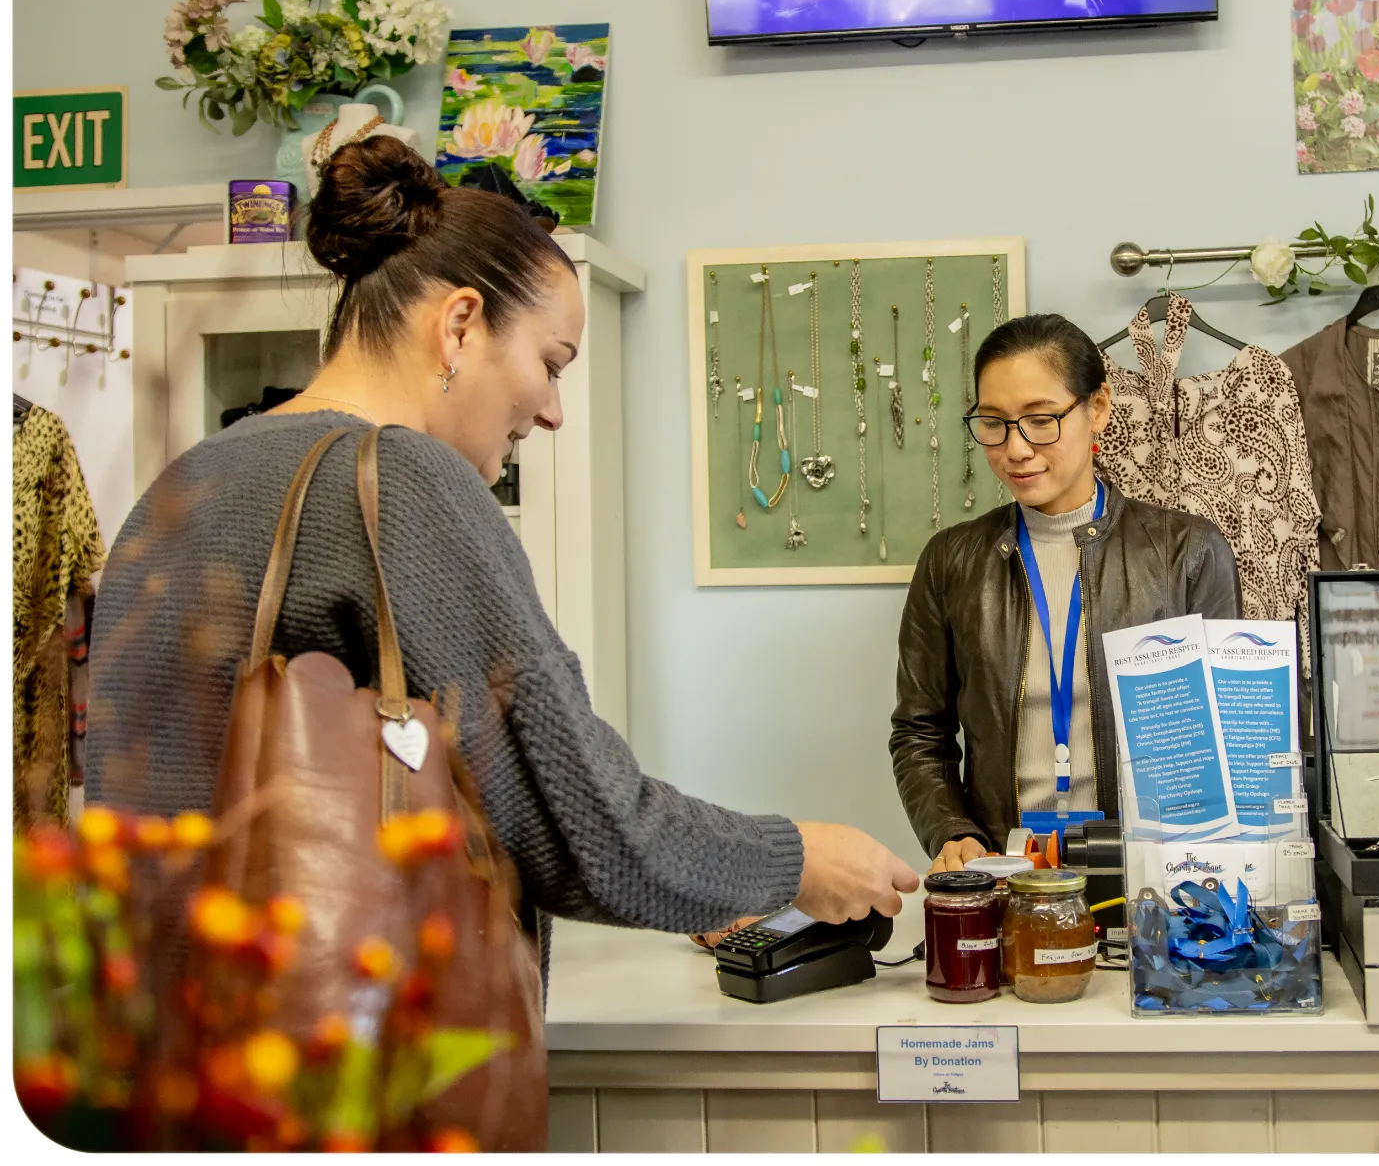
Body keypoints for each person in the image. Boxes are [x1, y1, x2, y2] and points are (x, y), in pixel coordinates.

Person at [85, 137, 917, 965]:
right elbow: (592, 830)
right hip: (333, 1058)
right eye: (551, 365)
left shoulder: (182, 486)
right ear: (460, 324)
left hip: (158, 1038)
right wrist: (797, 858)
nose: (553, 411)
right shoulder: (402, 480)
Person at [891, 314, 1241, 874]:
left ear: (1097, 407)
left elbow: (1229, 732)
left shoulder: (1187, 552)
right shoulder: (952, 560)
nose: (1016, 449)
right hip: (1008, 876)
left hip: (1152, 875)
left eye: (1040, 420)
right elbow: (918, 729)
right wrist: (951, 830)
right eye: (994, 423)